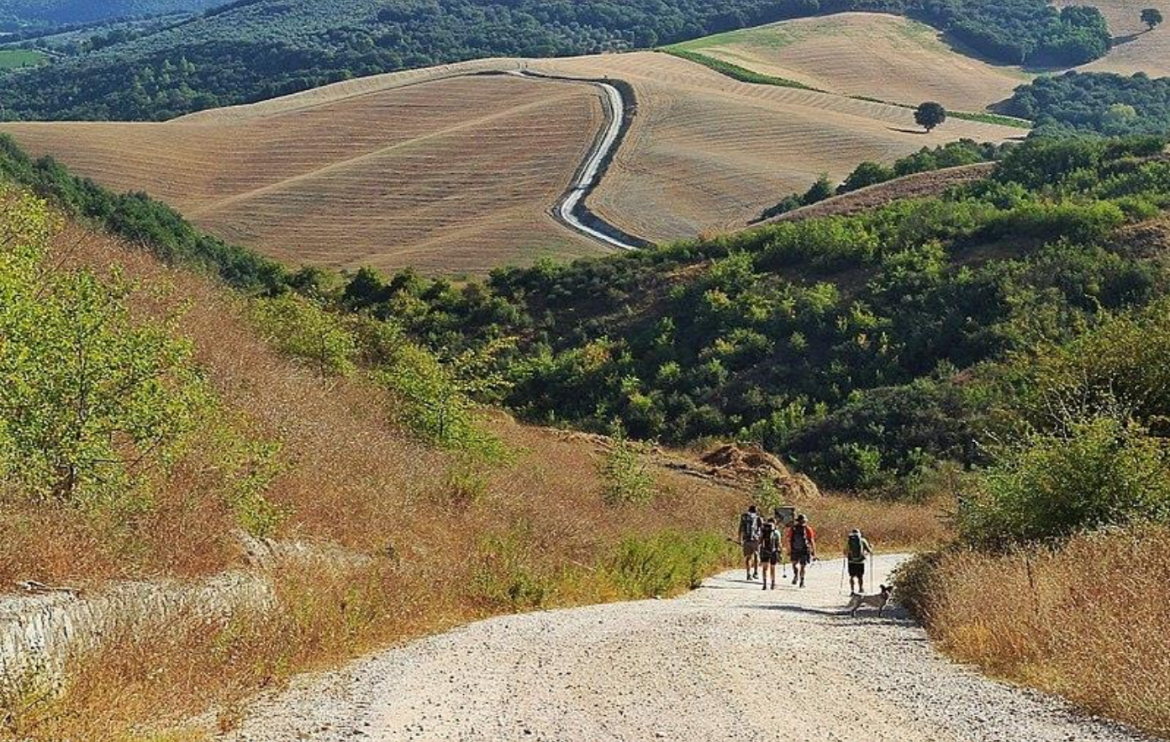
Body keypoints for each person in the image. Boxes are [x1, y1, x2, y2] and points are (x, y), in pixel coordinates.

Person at [787, 513, 816, 588]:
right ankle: (802, 581)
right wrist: (814, 552)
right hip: (805, 549)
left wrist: (789, 550)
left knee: (794, 564)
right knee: (803, 566)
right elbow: (812, 541)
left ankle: (796, 575)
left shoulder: (793, 529)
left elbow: (789, 540)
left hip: (795, 549)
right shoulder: (808, 529)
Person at [844, 528, 873, 594]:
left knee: (851, 576)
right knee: (860, 576)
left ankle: (852, 591)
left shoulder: (849, 541)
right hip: (860, 561)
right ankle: (860, 589)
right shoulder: (863, 540)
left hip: (851, 561)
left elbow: (845, 551)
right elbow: (869, 551)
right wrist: (871, 547)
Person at [738, 504, 762, 581]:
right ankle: (756, 572)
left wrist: (740, 539)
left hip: (746, 539)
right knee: (756, 556)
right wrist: (762, 540)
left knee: (748, 557)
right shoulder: (758, 518)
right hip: (756, 540)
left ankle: (748, 574)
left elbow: (740, 529)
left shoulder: (744, 518)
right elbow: (762, 530)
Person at [758, 517, 781, 590]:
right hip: (773, 551)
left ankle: (764, 584)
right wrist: (780, 552)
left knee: (765, 568)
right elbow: (779, 543)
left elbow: (760, 541)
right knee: (772, 568)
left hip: (764, 550)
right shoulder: (776, 532)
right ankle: (772, 584)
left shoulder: (763, 531)